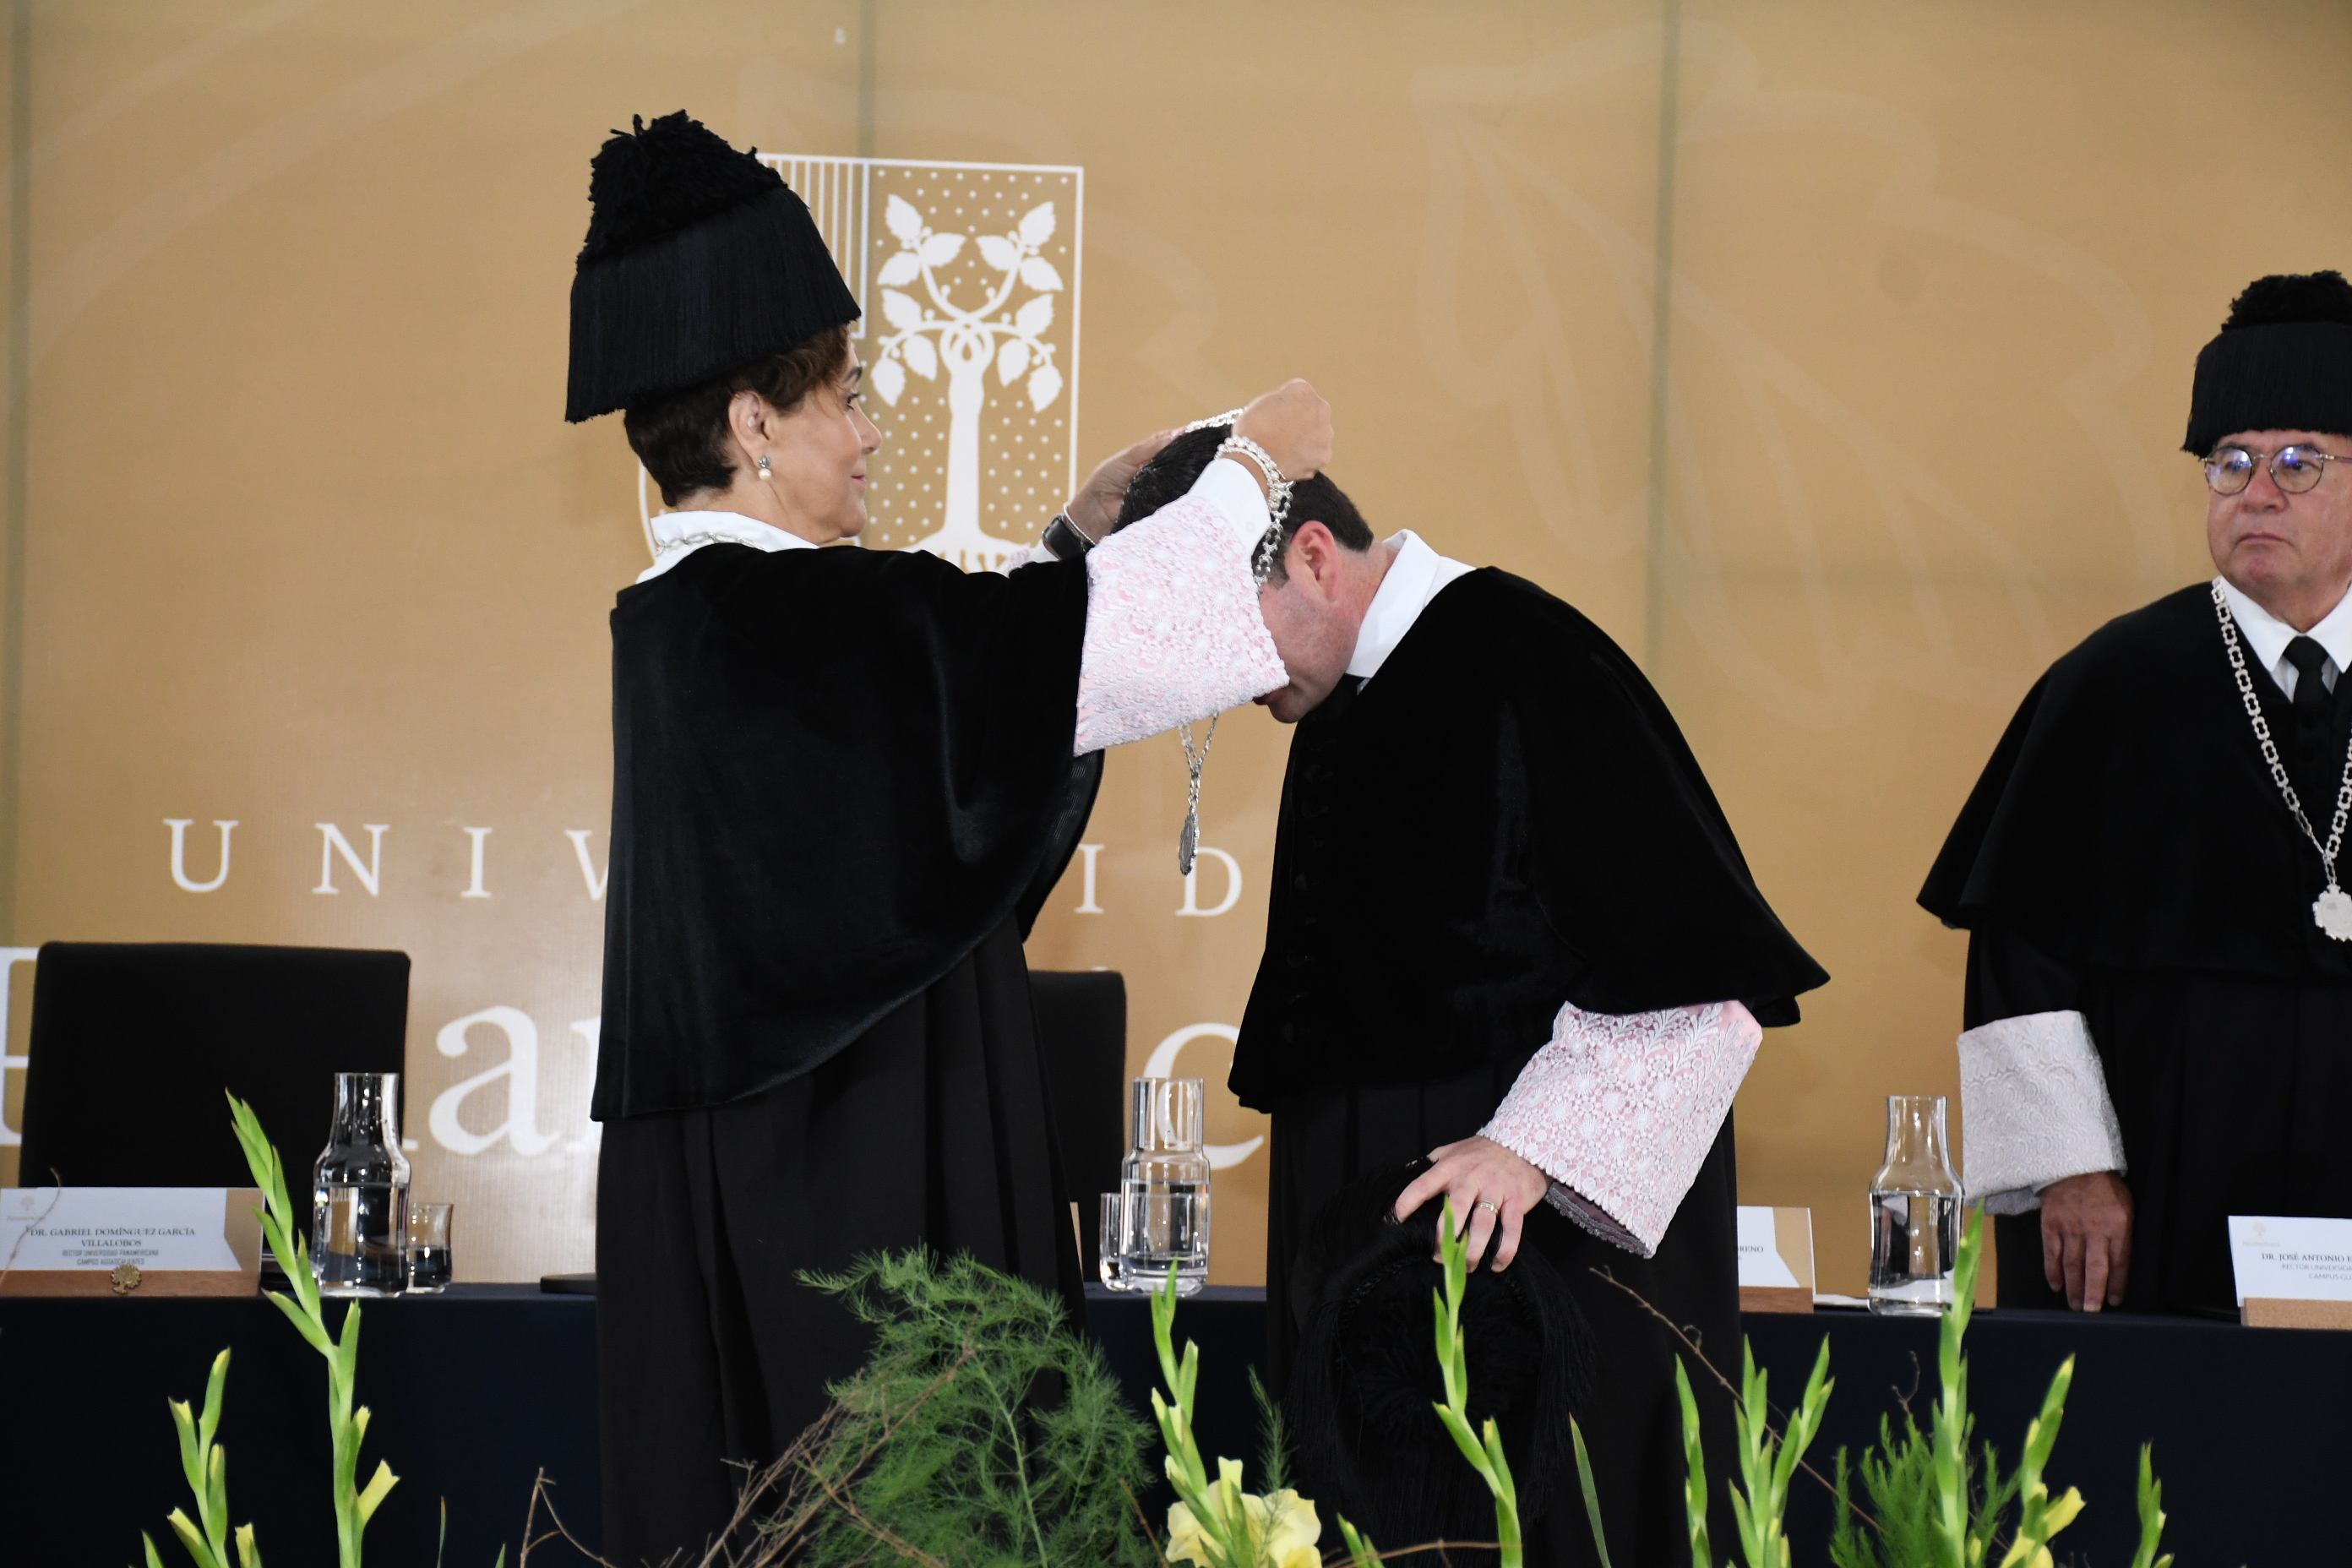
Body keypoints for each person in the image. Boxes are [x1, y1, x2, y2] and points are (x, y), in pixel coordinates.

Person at [564, 112, 1328, 1565]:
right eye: (845, 399)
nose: (867, 434)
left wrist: (1072, 548)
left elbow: (957, 729)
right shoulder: (782, 614)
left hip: (770, 1179)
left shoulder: (701, 622)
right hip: (846, 1191)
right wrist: (1249, 464)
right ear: (753, 425)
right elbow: (1037, 667)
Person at [1108, 429, 1827, 1563]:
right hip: (1387, 1268)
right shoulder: (1345, 689)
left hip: (1528, 1267)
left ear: (1312, 557)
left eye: (1225, 631)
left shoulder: (1532, 657)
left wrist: (1528, 1149)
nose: (1223, 676)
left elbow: (1698, 976)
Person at [1921, 270, 2352, 1317]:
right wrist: (2069, 1166)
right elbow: (2017, 951)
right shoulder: (2113, 682)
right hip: (2160, 1182)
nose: (2255, 493)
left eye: (2298, 461)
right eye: (2230, 462)